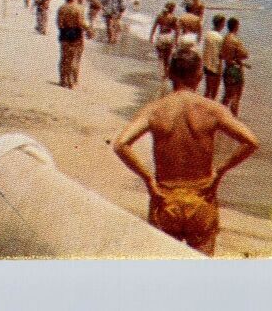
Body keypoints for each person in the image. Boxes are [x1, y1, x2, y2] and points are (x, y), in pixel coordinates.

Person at [111, 46, 259, 256]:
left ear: (170, 73)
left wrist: (148, 179)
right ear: (199, 75)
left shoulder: (155, 109)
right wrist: (220, 171)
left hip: (164, 197)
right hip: (201, 197)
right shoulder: (212, 109)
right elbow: (251, 142)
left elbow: (121, 144)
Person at [56, 0, 92, 89]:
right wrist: (89, 30)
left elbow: (59, 23)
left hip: (64, 33)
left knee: (64, 57)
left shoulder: (62, 8)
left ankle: (63, 80)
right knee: (75, 58)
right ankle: (72, 81)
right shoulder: (79, 8)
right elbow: (81, 22)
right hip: (76, 34)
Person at [219, 18, 249, 116]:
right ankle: (234, 120)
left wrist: (233, 57)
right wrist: (237, 57)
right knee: (236, 97)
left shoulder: (225, 38)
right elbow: (245, 55)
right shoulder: (235, 40)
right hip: (235, 70)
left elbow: (221, 55)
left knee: (226, 97)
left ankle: (219, 118)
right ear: (236, 26)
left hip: (227, 69)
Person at [151, 1, 180, 78]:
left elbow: (154, 27)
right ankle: (166, 73)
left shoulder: (159, 16)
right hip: (169, 37)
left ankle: (161, 72)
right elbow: (177, 30)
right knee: (167, 57)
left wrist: (151, 37)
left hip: (161, 37)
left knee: (160, 56)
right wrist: (176, 41)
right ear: (172, 9)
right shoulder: (174, 18)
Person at [202, 15, 228, 99]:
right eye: (223, 23)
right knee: (214, 92)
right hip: (215, 67)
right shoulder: (220, 38)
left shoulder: (208, 34)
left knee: (207, 89)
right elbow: (222, 55)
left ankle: (203, 108)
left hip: (206, 65)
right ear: (220, 24)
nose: (224, 25)